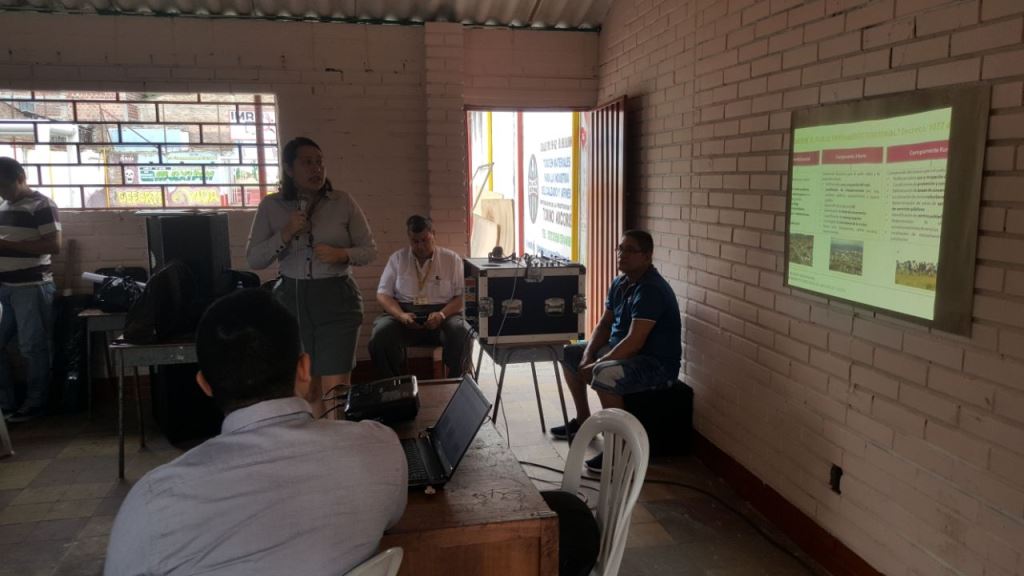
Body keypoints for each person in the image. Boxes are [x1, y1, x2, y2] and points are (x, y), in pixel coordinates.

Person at [104, 289, 407, 576]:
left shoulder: (153, 503)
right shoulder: (380, 448)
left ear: (205, 385)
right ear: (304, 369)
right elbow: (392, 516)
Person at [246, 137, 376, 416]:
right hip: (291, 300)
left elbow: (369, 250)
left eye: (320, 162)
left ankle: (337, 437)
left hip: (337, 299)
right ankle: (315, 438)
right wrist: (285, 233)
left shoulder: (343, 202)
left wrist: (342, 254)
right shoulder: (271, 206)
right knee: (307, 388)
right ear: (288, 169)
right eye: (307, 162)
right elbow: (255, 259)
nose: (316, 168)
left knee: (336, 389)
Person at [550, 230, 681, 472]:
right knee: (570, 354)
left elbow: (634, 342)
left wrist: (597, 364)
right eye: (620, 249)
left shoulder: (651, 289)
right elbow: (604, 324)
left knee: (605, 373)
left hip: (654, 363)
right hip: (623, 351)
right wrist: (588, 356)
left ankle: (618, 448)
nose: (622, 254)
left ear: (647, 256)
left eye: (630, 250)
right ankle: (583, 419)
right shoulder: (620, 282)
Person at [370, 215, 470, 378]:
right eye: (415, 241)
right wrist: (400, 315)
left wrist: (442, 315)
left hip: (442, 315)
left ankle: (456, 382)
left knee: (461, 332)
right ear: (409, 238)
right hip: (405, 314)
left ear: (433, 234)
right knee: (381, 335)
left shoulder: (451, 259)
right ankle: (392, 384)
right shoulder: (398, 259)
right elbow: (383, 294)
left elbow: (462, 297)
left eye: (425, 240)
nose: (420, 246)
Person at [0, 157, 61, 423]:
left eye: (5, 187)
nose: (3, 193)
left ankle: (36, 404)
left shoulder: (42, 205)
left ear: (21, 178)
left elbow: (53, 246)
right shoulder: (3, 205)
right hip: (5, 287)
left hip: (31, 287)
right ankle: (6, 404)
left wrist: (6, 246)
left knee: (32, 348)